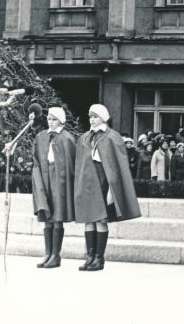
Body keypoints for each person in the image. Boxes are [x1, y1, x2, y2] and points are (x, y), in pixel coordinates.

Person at [74, 104, 141, 271]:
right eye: (90, 116)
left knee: (101, 218)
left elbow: (117, 166)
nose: (92, 119)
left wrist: (113, 189)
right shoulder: (85, 137)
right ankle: (89, 256)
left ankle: (99, 257)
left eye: (95, 116)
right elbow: (80, 163)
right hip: (88, 182)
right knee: (89, 218)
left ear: (103, 117)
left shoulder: (113, 137)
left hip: (104, 180)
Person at [30, 107, 76, 268]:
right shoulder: (42, 136)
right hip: (44, 175)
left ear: (61, 120)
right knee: (47, 214)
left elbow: (70, 163)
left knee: (57, 215)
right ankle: (48, 253)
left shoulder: (66, 138)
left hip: (60, 178)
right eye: (49, 118)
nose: (51, 121)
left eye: (54, 119)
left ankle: (56, 255)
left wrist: (63, 178)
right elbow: (36, 158)